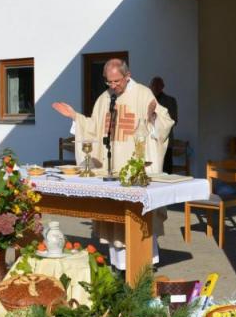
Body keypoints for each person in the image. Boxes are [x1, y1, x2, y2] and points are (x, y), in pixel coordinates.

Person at [52, 59, 174, 270]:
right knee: (116, 218)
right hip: (112, 166)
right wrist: (75, 116)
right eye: (109, 82)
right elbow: (93, 128)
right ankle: (119, 266)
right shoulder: (104, 99)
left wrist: (153, 116)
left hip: (135, 168)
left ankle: (146, 263)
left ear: (127, 75)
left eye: (117, 81)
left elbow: (165, 123)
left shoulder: (143, 94)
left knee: (138, 216)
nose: (113, 86)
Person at [150, 76, 179, 173]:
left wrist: (158, 118)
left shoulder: (170, 101)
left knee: (167, 169)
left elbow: (174, 120)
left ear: (163, 87)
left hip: (165, 139)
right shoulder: (147, 99)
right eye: (154, 85)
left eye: (158, 85)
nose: (156, 87)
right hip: (149, 140)